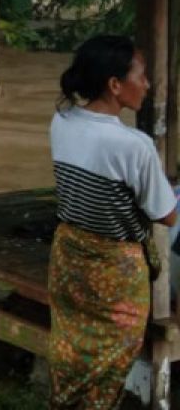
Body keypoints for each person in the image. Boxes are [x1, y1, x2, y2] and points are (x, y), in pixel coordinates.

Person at [48, 34, 177, 410]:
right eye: (141, 75)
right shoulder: (133, 144)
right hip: (115, 272)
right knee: (107, 366)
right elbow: (166, 214)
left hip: (69, 257)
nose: (147, 85)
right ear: (115, 84)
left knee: (70, 351)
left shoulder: (62, 121)